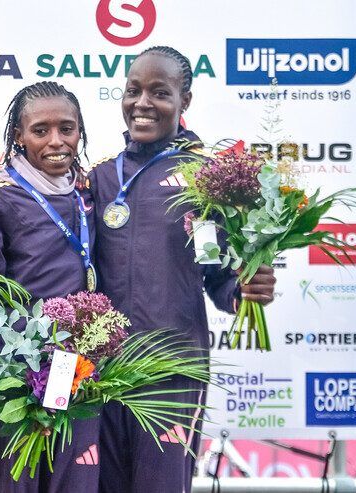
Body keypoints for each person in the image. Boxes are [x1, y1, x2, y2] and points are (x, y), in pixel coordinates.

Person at [86, 46, 277, 493]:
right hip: (103, 368)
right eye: (133, 91)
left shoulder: (207, 178)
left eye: (160, 92)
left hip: (173, 370)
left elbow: (219, 276)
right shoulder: (100, 177)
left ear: (184, 101)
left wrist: (243, 290)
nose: (142, 103)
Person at [0, 81, 99, 493]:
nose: (56, 141)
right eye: (40, 131)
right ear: (18, 137)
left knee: (70, 484)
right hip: (13, 376)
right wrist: (16, 374)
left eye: (67, 129)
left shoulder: (87, 192)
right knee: (14, 485)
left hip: (74, 370)